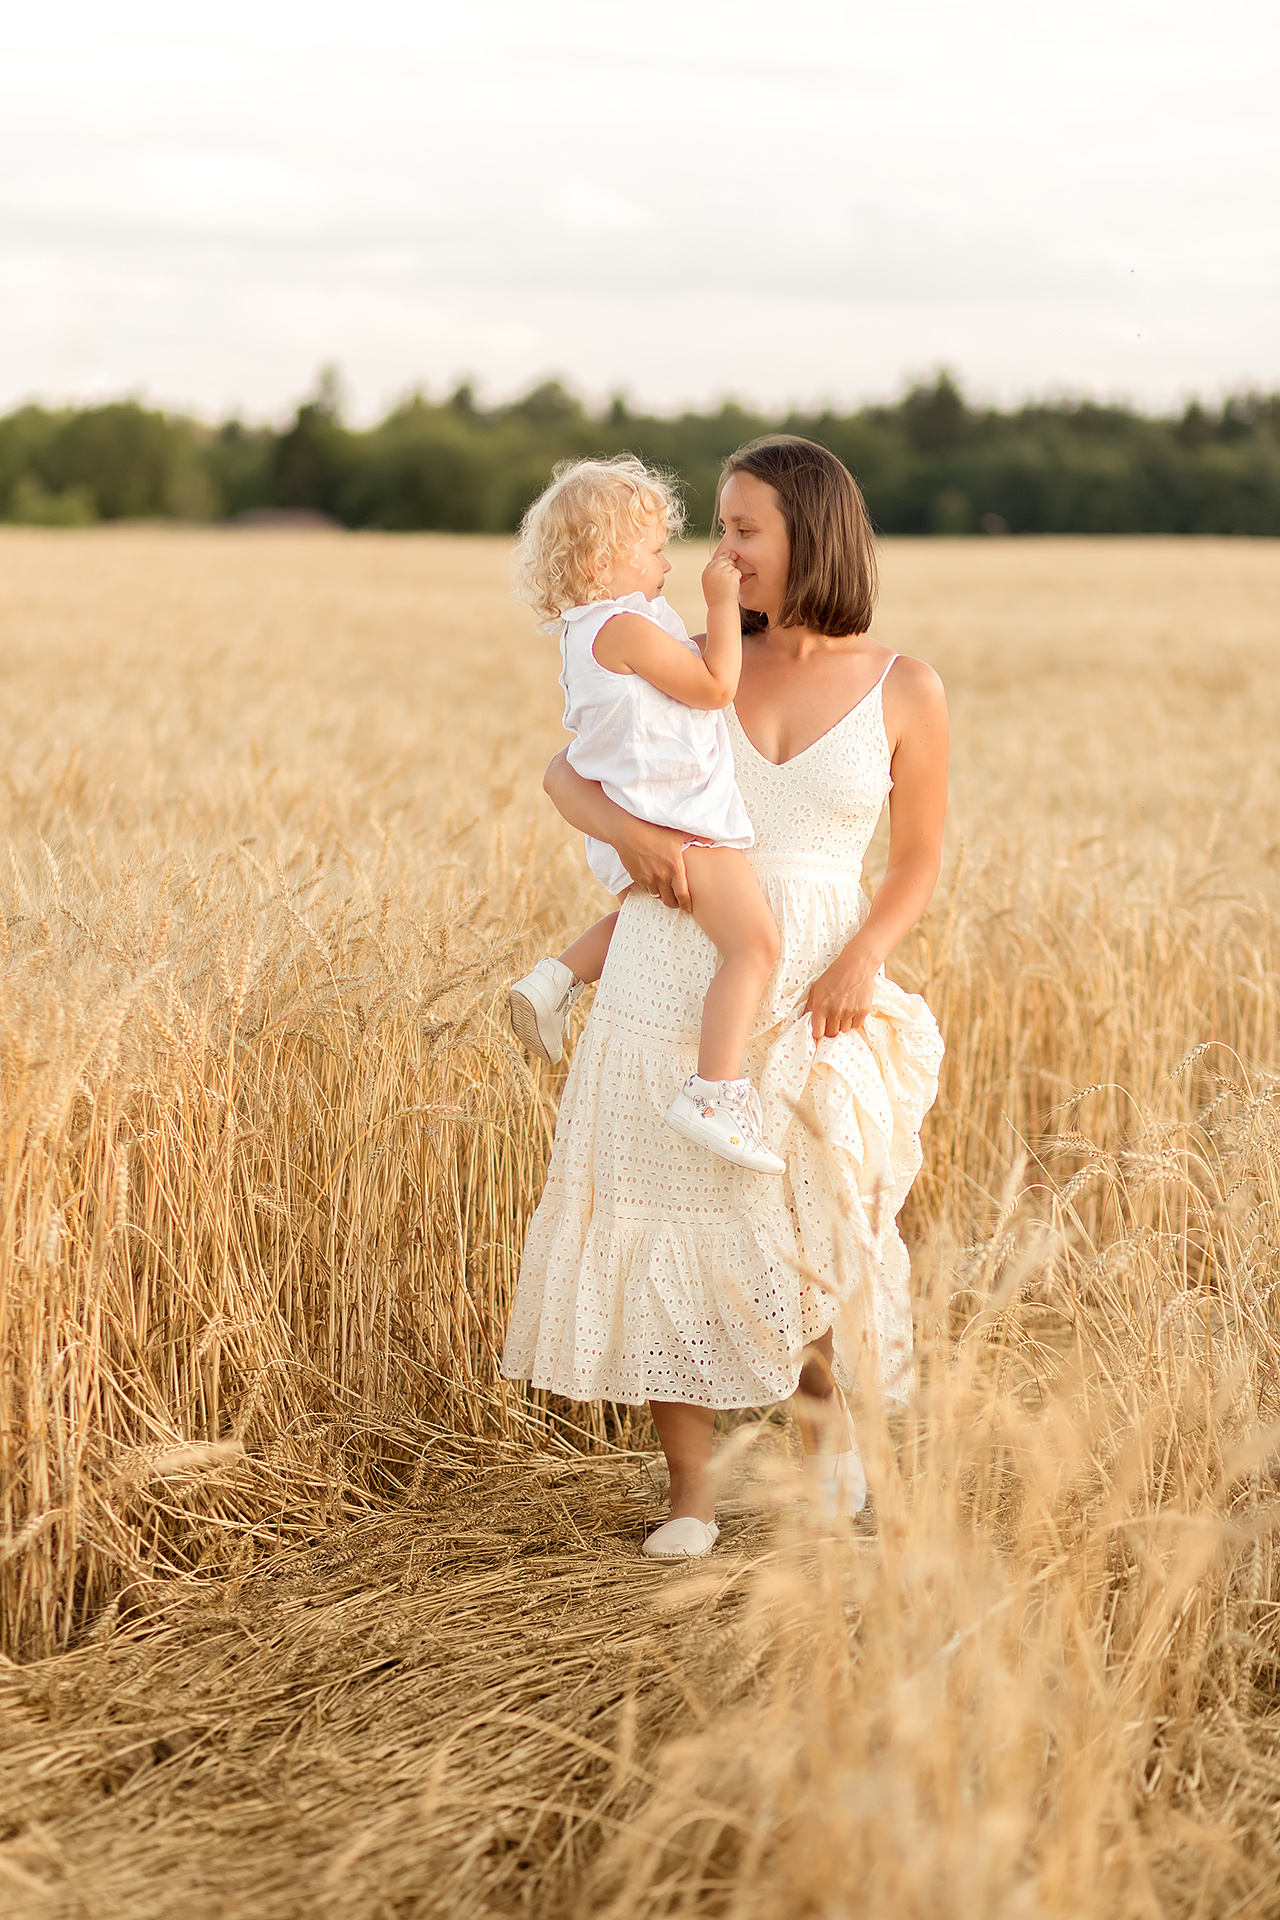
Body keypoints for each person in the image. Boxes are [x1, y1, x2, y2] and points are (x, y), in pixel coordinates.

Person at [502, 436, 948, 1559]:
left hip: (819, 982)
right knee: (671, 1210)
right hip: (671, 965)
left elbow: (916, 860)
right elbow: (566, 769)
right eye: (718, 528)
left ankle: (823, 1458)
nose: (722, 551)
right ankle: (691, 1498)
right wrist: (629, 835)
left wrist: (863, 958)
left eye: (744, 530)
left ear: (810, 535)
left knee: (815, 1215)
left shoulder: (905, 685)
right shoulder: (693, 653)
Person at [508, 455, 784, 1174]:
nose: (669, 562)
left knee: (645, 916)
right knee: (755, 947)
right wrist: (721, 606)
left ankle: (556, 977)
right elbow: (716, 685)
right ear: (606, 559)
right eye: (655, 550)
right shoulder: (624, 628)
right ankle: (714, 1092)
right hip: (679, 816)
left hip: (643, 812)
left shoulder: (585, 631)